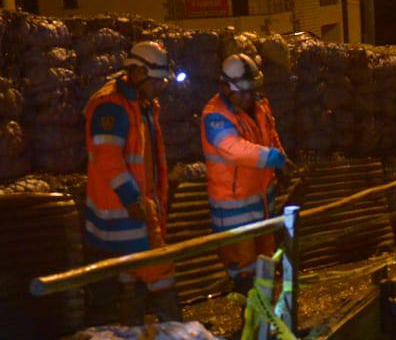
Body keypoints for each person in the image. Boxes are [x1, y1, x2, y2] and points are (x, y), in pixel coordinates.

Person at [83, 40, 181, 324]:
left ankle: (135, 337)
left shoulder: (141, 104)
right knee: (159, 273)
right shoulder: (111, 107)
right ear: (137, 73)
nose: (159, 87)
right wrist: (132, 199)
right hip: (127, 212)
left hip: (138, 209)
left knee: (130, 278)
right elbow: (108, 157)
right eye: (155, 81)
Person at [200, 52, 289, 293]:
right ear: (227, 88)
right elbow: (234, 149)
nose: (250, 96)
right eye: (245, 92)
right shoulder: (215, 116)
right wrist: (273, 158)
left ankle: (264, 324)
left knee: (265, 265)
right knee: (244, 274)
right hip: (233, 210)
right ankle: (248, 327)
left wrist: (279, 157)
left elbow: (270, 135)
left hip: (261, 203)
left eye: (253, 90)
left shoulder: (258, 105)